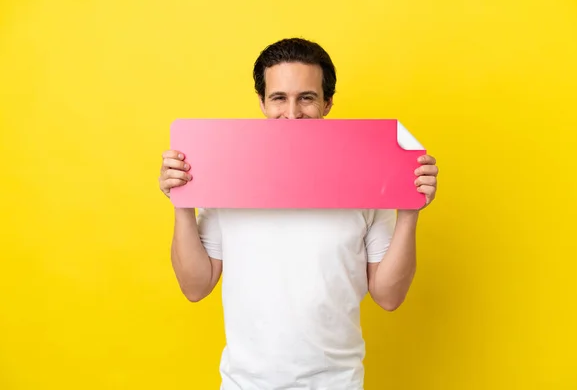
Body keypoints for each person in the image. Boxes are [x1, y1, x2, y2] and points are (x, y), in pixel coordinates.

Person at [158, 38, 439, 389]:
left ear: (327, 103)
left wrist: (410, 211)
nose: (292, 113)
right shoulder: (229, 178)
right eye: (279, 98)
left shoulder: (367, 184)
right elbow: (195, 286)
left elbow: (389, 296)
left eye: (306, 98)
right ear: (262, 103)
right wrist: (183, 202)